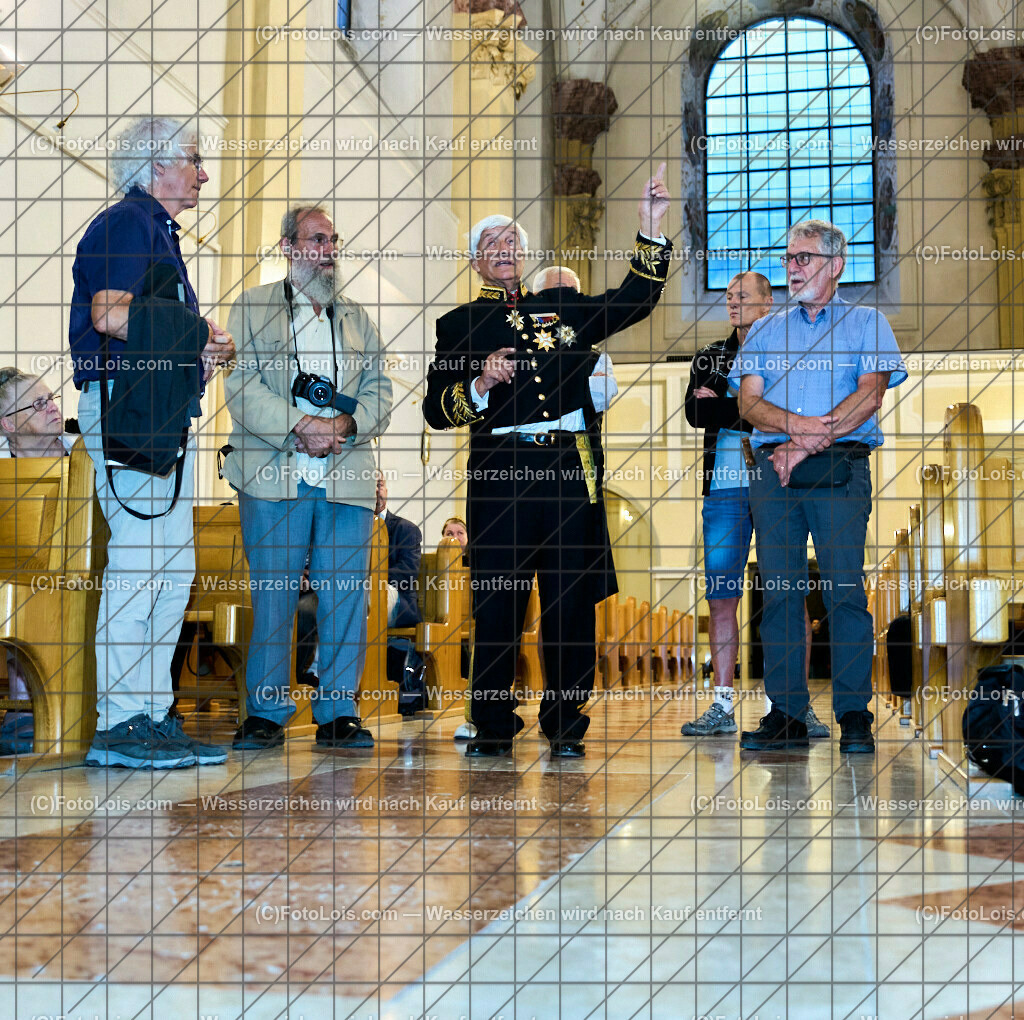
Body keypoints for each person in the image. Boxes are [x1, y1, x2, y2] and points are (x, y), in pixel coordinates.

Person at [423, 164, 672, 759]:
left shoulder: (560, 311)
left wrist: (650, 231)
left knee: (568, 604)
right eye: (491, 246)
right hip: (502, 474)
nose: (503, 252)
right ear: (477, 262)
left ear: (525, 257)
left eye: (512, 244)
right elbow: (436, 409)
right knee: (498, 602)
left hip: (565, 473)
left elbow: (632, 300)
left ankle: (565, 722)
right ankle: (491, 723)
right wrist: (480, 383)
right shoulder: (457, 324)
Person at [71, 116, 234, 769]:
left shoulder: (160, 231)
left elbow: (150, 323)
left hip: (160, 416)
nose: (202, 173)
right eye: (192, 160)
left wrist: (202, 344)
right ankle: (118, 723)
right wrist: (198, 332)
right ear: (154, 165)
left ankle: (151, 713)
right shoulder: (127, 222)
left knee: (173, 575)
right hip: (125, 410)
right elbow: (109, 315)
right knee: (139, 570)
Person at [730, 219, 907, 752]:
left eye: (803, 258)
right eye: (788, 258)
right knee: (779, 594)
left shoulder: (868, 322)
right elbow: (748, 405)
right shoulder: (764, 331)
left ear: (835, 264)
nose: (792, 267)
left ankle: (854, 714)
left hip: (840, 469)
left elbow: (870, 396)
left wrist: (803, 443)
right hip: (774, 475)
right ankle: (786, 713)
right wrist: (796, 432)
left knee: (843, 591)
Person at [223, 204, 393, 751]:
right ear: (288, 247)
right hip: (275, 473)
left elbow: (380, 393)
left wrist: (345, 423)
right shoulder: (251, 308)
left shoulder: (358, 318)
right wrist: (300, 425)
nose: (327, 249)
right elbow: (242, 388)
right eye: (316, 239)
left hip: (345, 475)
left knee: (345, 595)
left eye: (333, 239)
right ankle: (267, 712)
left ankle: (339, 711)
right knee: (273, 595)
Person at [681, 274, 828, 739]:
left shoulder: (789, 353)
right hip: (723, 492)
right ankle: (722, 703)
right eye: (728, 296)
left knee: (787, 594)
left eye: (743, 296)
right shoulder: (710, 357)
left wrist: (733, 405)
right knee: (722, 596)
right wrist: (755, 408)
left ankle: (791, 705)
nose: (733, 302)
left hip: (778, 483)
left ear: (769, 302)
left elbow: (791, 410)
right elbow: (695, 413)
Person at [0, 370, 77, 754]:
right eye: (39, 403)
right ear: (9, 424)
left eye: (51, 398)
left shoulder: (86, 455)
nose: (53, 408)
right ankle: (21, 710)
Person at [376, 473, 427, 714]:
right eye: (369, 486)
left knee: (368, 594)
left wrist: (369, 579)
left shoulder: (405, 529)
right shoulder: (347, 528)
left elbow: (406, 572)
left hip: (397, 600)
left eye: (380, 485)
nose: (376, 491)